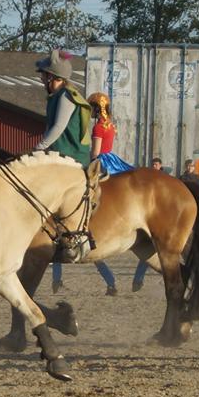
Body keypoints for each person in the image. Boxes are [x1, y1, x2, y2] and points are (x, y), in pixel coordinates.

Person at [52, 91, 120, 295]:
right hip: (113, 161)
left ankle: (57, 279)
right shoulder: (111, 126)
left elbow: (96, 153)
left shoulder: (99, 127)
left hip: (100, 163)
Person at [33, 49, 92, 166]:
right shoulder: (55, 96)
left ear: (50, 76)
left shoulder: (66, 96)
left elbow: (58, 126)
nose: (41, 79)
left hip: (72, 158)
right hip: (61, 155)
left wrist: (39, 148)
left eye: (43, 74)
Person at [132, 156, 166, 291]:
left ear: (160, 166)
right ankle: (137, 280)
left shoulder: (164, 180)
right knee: (147, 253)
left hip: (162, 221)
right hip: (150, 221)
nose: (154, 166)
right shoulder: (148, 180)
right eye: (153, 164)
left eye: (157, 164)